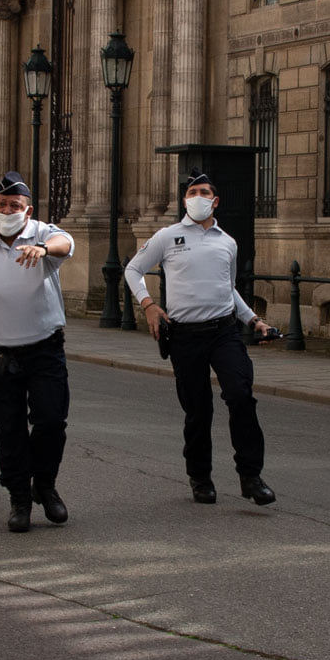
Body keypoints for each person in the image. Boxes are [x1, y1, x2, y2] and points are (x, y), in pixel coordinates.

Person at [125, 172, 276, 505]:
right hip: (185, 336)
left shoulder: (227, 242)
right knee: (198, 410)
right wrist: (148, 305)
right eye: (192, 192)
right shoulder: (168, 236)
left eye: (204, 192)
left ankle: (251, 476)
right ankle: (200, 477)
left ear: (215, 200)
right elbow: (132, 270)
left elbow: (228, 288)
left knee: (240, 396)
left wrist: (253, 319)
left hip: (224, 332)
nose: (198, 196)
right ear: (184, 200)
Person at [0, 172, 76, 532]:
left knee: (51, 421)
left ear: (28, 210)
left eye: (16, 206)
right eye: (3, 204)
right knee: (9, 429)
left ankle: (45, 486)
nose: (8, 210)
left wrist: (43, 249)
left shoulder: (41, 233)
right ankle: (19, 498)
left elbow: (65, 243)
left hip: (44, 349)